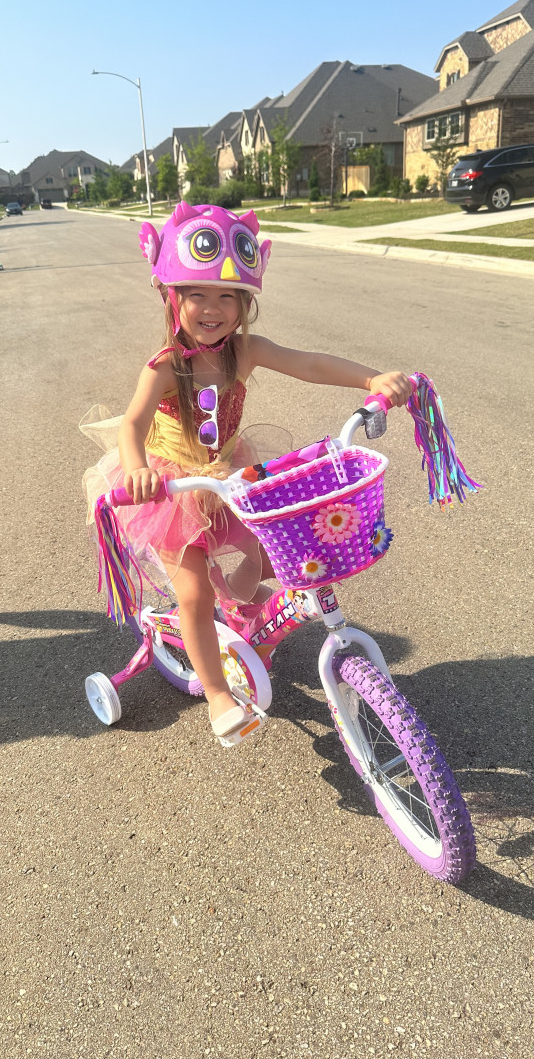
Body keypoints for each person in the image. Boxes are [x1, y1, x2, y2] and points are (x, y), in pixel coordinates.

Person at [98, 202, 413, 742]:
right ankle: (217, 692)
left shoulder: (245, 350)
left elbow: (309, 364)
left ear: (245, 303)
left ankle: (240, 608)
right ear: (173, 298)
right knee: (193, 594)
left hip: (226, 472)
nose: (212, 308)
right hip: (172, 488)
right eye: (197, 294)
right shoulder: (165, 366)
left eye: (228, 296)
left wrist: (372, 380)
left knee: (280, 550)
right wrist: (137, 470)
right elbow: (132, 424)